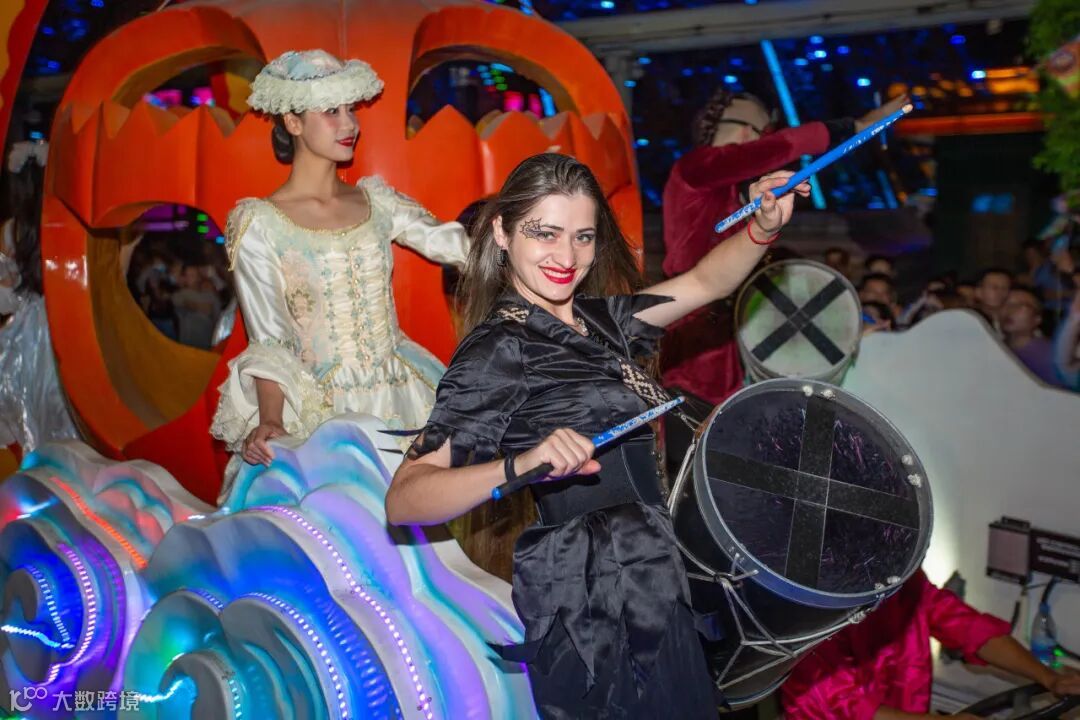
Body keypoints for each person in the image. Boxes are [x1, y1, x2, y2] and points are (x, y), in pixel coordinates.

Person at [385, 152, 811, 717]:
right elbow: (405, 497)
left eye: (582, 237)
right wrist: (520, 464)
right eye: (545, 233)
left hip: (657, 569)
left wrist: (762, 226)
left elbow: (707, 281)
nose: (567, 257)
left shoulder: (604, 320)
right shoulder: (496, 351)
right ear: (503, 233)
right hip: (592, 598)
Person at [210, 50, 470, 499]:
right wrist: (270, 418)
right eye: (331, 111)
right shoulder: (260, 223)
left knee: (425, 521)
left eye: (351, 109)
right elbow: (270, 340)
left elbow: (457, 246)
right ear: (293, 122)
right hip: (321, 413)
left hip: (405, 396)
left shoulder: (377, 202)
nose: (349, 124)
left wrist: (535, 246)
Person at [660, 89, 908, 407]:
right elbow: (780, 147)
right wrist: (856, 126)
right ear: (749, 135)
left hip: (726, 340)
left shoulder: (731, 192)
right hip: (692, 339)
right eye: (764, 137)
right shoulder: (695, 167)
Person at [781, 569, 1080, 720]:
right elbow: (843, 706)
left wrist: (1048, 677)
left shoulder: (901, 582)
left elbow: (968, 628)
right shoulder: (806, 611)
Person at [0, 140, 80, 452]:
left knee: (27, 407)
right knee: (67, 410)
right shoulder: (64, 229)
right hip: (66, 326)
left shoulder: (10, 231)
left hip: (23, 334)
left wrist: (16, 294)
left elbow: (4, 296)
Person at [1001, 287, 1067, 388]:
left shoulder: (1049, 355)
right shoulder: (994, 345)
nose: (1010, 310)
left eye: (1020, 306)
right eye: (1005, 304)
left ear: (1037, 319)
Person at [974, 268, 1012, 333]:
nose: (1000, 292)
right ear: (978, 291)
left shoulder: (1013, 321)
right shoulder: (971, 319)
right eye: (994, 287)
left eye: (1004, 288)